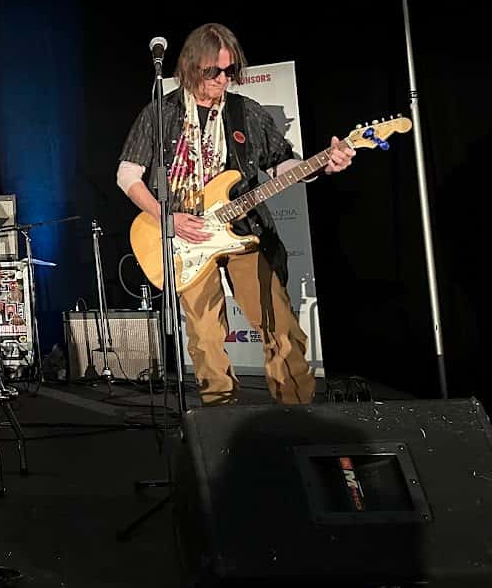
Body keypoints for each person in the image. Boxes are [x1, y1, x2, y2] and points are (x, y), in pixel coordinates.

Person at [117, 23, 354, 406]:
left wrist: (324, 164)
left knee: (279, 325)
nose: (223, 79)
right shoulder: (162, 113)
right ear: (193, 67)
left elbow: (281, 165)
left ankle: (298, 415)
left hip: (245, 229)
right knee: (207, 337)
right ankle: (219, 422)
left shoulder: (246, 112)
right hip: (187, 235)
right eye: (214, 71)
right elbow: (127, 175)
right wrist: (167, 219)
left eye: (229, 71)